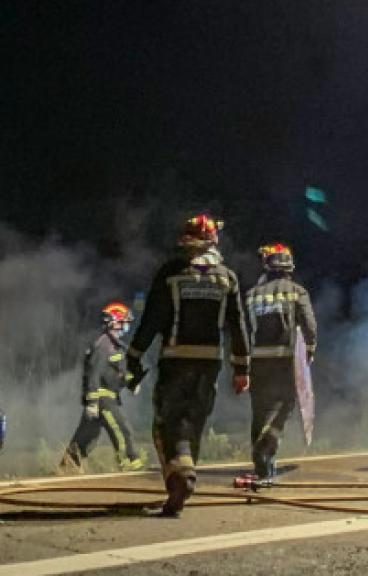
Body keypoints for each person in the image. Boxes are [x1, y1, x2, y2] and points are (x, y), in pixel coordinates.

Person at [126, 213, 251, 517]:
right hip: (210, 364)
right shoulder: (227, 278)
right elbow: (238, 325)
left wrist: (133, 355)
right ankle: (184, 474)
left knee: (167, 422)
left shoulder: (171, 273)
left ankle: (180, 477)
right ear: (213, 240)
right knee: (194, 420)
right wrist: (241, 369)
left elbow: (152, 319)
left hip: (175, 360)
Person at [245, 243, 317, 481]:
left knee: (259, 409)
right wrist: (309, 349)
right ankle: (267, 445)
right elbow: (309, 324)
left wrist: (240, 361)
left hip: (257, 360)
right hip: (285, 360)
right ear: (289, 265)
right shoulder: (297, 291)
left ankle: (261, 465)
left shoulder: (252, 294)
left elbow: (243, 328)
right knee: (284, 406)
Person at [59, 302, 145, 474]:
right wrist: (92, 401)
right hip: (102, 398)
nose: (126, 325)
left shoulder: (117, 346)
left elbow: (119, 372)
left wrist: (131, 383)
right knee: (121, 429)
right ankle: (128, 462)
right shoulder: (102, 345)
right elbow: (93, 373)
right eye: (124, 321)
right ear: (114, 322)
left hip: (107, 397)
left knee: (86, 436)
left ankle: (69, 465)